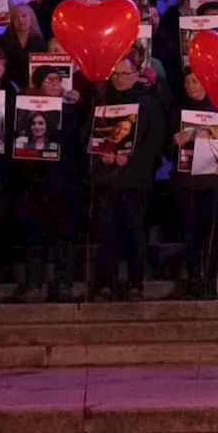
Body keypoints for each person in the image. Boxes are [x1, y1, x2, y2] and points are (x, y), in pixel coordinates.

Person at [90, 55, 165, 302]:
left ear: (136, 75)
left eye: (125, 74)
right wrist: (103, 154)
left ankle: (135, 283)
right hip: (106, 178)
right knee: (106, 233)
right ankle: (105, 283)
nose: (120, 79)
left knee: (135, 232)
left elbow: (155, 141)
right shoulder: (101, 102)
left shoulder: (149, 104)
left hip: (136, 179)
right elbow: (89, 138)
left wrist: (130, 160)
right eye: (116, 74)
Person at [12, 65, 82, 303]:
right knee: (34, 236)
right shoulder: (24, 110)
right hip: (33, 185)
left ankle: (63, 284)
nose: (55, 84)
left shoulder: (71, 110)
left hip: (63, 184)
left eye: (57, 80)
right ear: (39, 85)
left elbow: (77, 143)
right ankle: (34, 283)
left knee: (65, 236)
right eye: (49, 80)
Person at [170, 69, 218, 300]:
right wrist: (174, 142)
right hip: (187, 182)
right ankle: (193, 279)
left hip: (214, 183)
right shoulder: (177, 112)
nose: (190, 86)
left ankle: (209, 282)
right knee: (190, 233)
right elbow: (166, 152)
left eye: (195, 81)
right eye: (186, 81)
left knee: (211, 234)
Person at [0, 3, 48, 91]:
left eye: (24, 16)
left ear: (31, 19)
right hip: (8, 88)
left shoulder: (41, 43)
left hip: (33, 89)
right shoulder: (2, 40)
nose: (20, 20)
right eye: (16, 17)